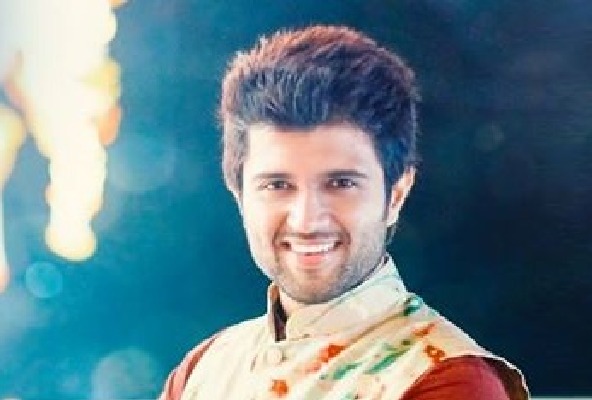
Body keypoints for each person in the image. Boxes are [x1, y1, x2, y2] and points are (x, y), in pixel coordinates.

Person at [160, 25, 528, 400]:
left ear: (396, 195)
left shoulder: (448, 379)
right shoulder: (205, 368)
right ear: (239, 196)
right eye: (277, 185)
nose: (306, 221)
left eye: (340, 183)